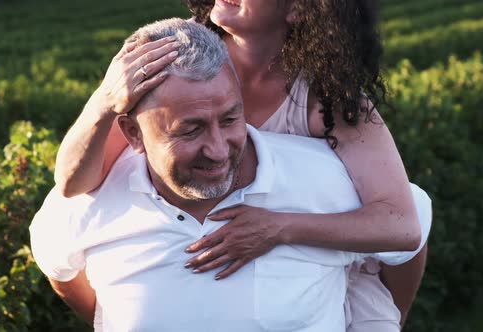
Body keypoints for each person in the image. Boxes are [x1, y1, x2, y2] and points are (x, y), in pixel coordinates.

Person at [30, 18, 431, 331]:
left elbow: (406, 232)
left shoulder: (327, 175)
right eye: (190, 129)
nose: (219, 150)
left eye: (230, 118)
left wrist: (378, 322)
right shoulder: (90, 204)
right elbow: (60, 262)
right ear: (133, 133)